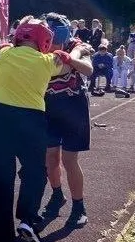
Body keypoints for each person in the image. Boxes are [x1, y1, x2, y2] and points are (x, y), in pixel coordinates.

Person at [0, 15, 86, 242]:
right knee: (35, 172)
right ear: (45, 41)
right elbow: (71, 63)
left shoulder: (4, 54)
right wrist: (79, 49)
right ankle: (28, 217)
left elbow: (5, 42)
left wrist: (24, 23)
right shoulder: (47, 61)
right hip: (31, 120)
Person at [39, 14, 94, 228]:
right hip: (48, 105)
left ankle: (79, 206)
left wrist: (71, 57)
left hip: (73, 105)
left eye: (57, 40)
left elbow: (88, 69)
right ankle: (56, 195)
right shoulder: (38, 44)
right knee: (50, 158)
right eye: (50, 40)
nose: (53, 45)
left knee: (70, 159)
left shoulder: (76, 45)